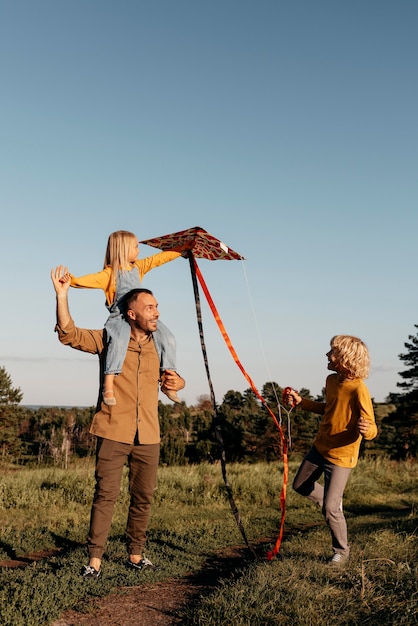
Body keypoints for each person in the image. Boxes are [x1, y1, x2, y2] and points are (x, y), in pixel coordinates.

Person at [51, 266, 186, 579]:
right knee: (106, 496)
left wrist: (178, 384)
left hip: (149, 434)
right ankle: (94, 562)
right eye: (150, 307)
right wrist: (62, 296)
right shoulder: (110, 339)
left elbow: (173, 382)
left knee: (143, 497)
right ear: (132, 313)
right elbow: (69, 335)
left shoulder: (160, 346)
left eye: (157, 307)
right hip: (113, 430)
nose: (157, 312)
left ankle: (136, 555)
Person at [282, 335, 377, 566]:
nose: (327, 355)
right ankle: (332, 502)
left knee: (330, 508)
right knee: (299, 485)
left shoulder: (359, 390)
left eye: (332, 352)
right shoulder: (331, 380)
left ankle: (341, 552)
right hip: (319, 447)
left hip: (341, 456)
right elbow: (328, 409)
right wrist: (301, 402)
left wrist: (367, 429)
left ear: (346, 358)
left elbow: (372, 426)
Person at [67, 230, 182, 406]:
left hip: (140, 317)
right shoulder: (109, 275)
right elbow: (87, 281)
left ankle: (168, 378)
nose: (139, 250)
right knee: (119, 341)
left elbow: (159, 259)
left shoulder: (139, 268)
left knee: (169, 338)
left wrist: (182, 250)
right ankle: (108, 384)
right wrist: (72, 280)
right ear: (123, 250)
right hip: (120, 318)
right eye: (135, 247)